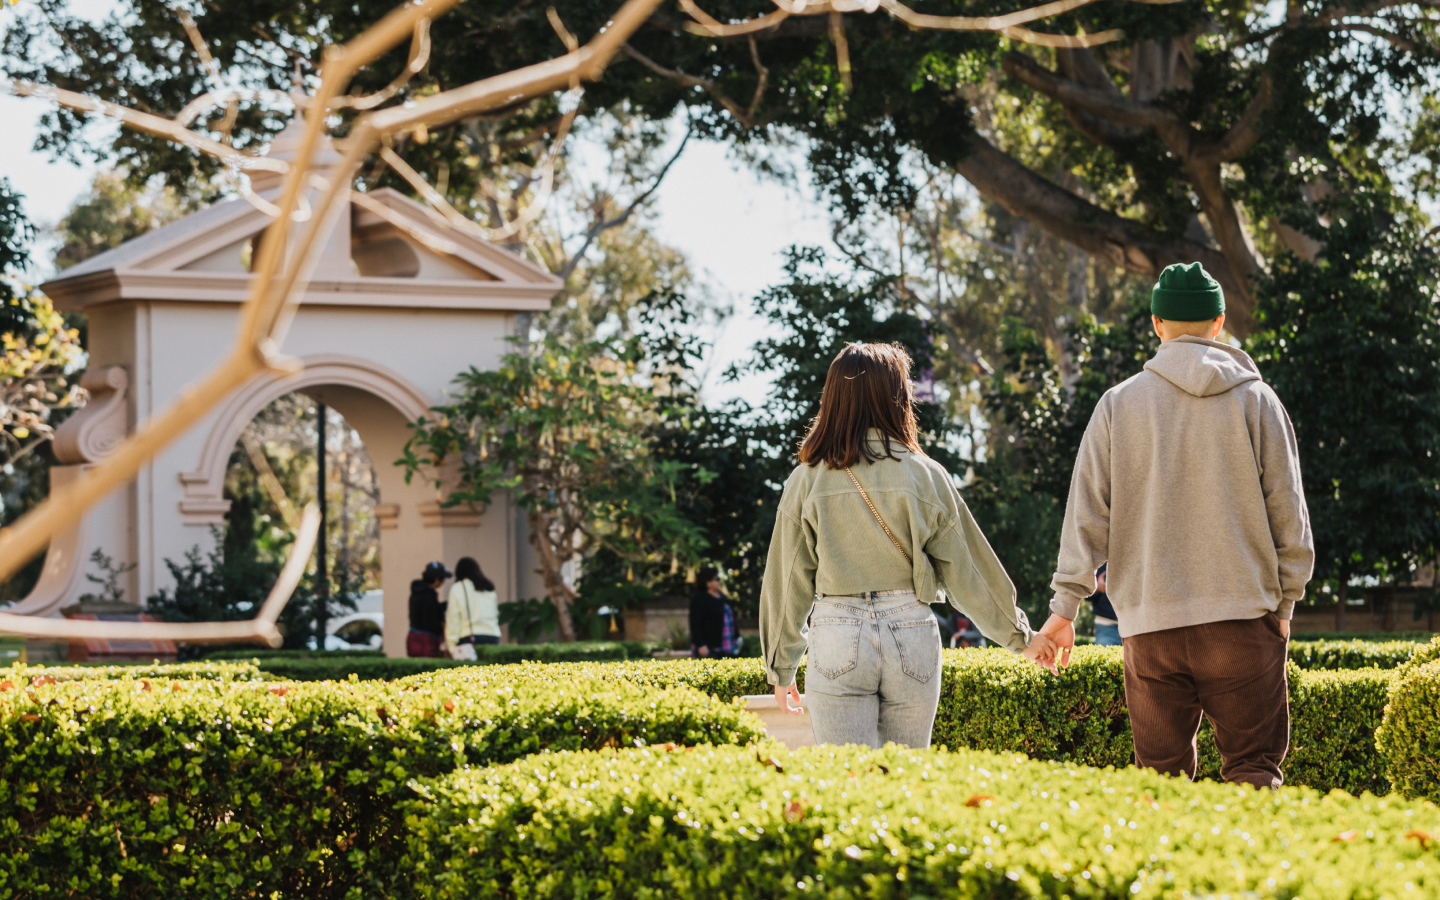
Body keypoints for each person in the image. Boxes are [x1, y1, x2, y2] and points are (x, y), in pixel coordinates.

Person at [1036, 262, 1314, 789]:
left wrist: (1063, 608)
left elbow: (1085, 516)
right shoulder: (1259, 401)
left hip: (1149, 626)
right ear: (1220, 322)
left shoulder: (1118, 405)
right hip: (1242, 621)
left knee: (1159, 787)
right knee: (1254, 773)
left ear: (1157, 323)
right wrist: (1284, 608)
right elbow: (1290, 518)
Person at [760, 341, 1057, 749]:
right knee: (906, 781)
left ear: (833, 399)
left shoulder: (806, 478)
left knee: (847, 783)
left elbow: (787, 578)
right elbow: (968, 569)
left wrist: (781, 668)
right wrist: (1020, 636)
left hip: (836, 630)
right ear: (897, 397)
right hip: (911, 629)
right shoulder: (925, 474)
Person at [445, 557, 501, 660]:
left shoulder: (458, 587)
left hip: (469, 638)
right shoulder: (488, 587)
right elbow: (495, 614)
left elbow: (453, 618)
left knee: (471, 674)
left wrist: (451, 645)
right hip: (493, 636)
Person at [690, 566, 741, 658]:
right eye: (716, 579)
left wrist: (737, 637)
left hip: (726, 648)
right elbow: (695, 623)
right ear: (708, 583)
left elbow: (730, 619)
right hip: (709, 649)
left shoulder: (723, 598)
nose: (719, 582)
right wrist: (701, 645)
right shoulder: (699, 599)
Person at [406, 561, 451, 658]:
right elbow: (431, 619)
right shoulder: (429, 595)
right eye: (442, 580)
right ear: (436, 580)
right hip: (427, 641)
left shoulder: (416, 592)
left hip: (413, 637)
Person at [1089, 563, 1120, 646]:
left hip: (1133, 627)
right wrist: (1097, 588)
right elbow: (1085, 595)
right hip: (1105, 625)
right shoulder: (1100, 561)